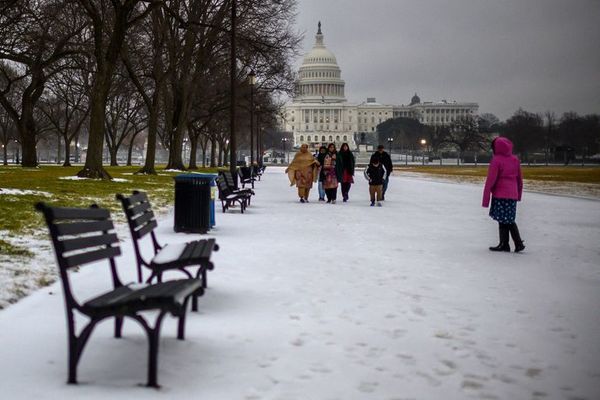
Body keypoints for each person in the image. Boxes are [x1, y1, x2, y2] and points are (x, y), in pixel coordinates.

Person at [482, 137, 525, 252]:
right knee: (509, 219)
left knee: (503, 220)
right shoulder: (515, 159)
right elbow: (519, 180)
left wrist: (486, 199)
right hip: (513, 194)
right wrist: (519, 194)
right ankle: (511, 243)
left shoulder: (496, 160)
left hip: (501, 194)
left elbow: (491, 180)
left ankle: (508, 243)